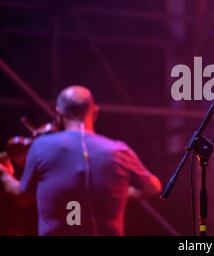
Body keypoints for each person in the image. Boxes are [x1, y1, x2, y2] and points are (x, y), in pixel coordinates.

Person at [0, 85, 161, 235]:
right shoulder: (119, 150)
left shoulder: (41, 146)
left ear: (59, 114)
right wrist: (124, 193)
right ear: (95, 112)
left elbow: (22, 197)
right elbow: (153, 186)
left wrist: (4, 173)